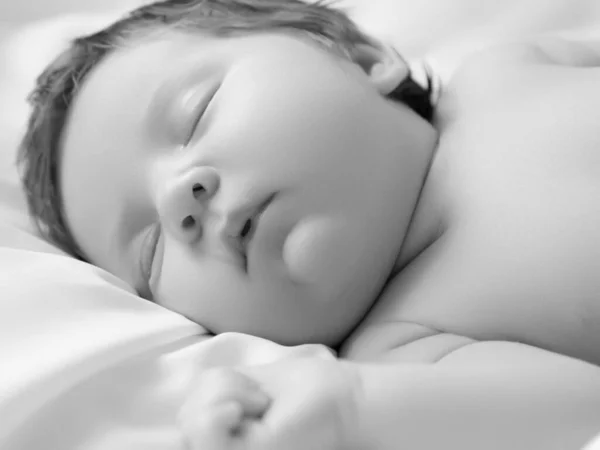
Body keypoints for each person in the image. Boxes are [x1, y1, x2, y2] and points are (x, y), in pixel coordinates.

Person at [17, 0, 600, 448]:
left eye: (196, 112)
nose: (179, 201)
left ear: (364, 60)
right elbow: (579, 413)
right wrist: (351, 409)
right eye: (151, 251)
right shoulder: (411, 351)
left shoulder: (502, 72)